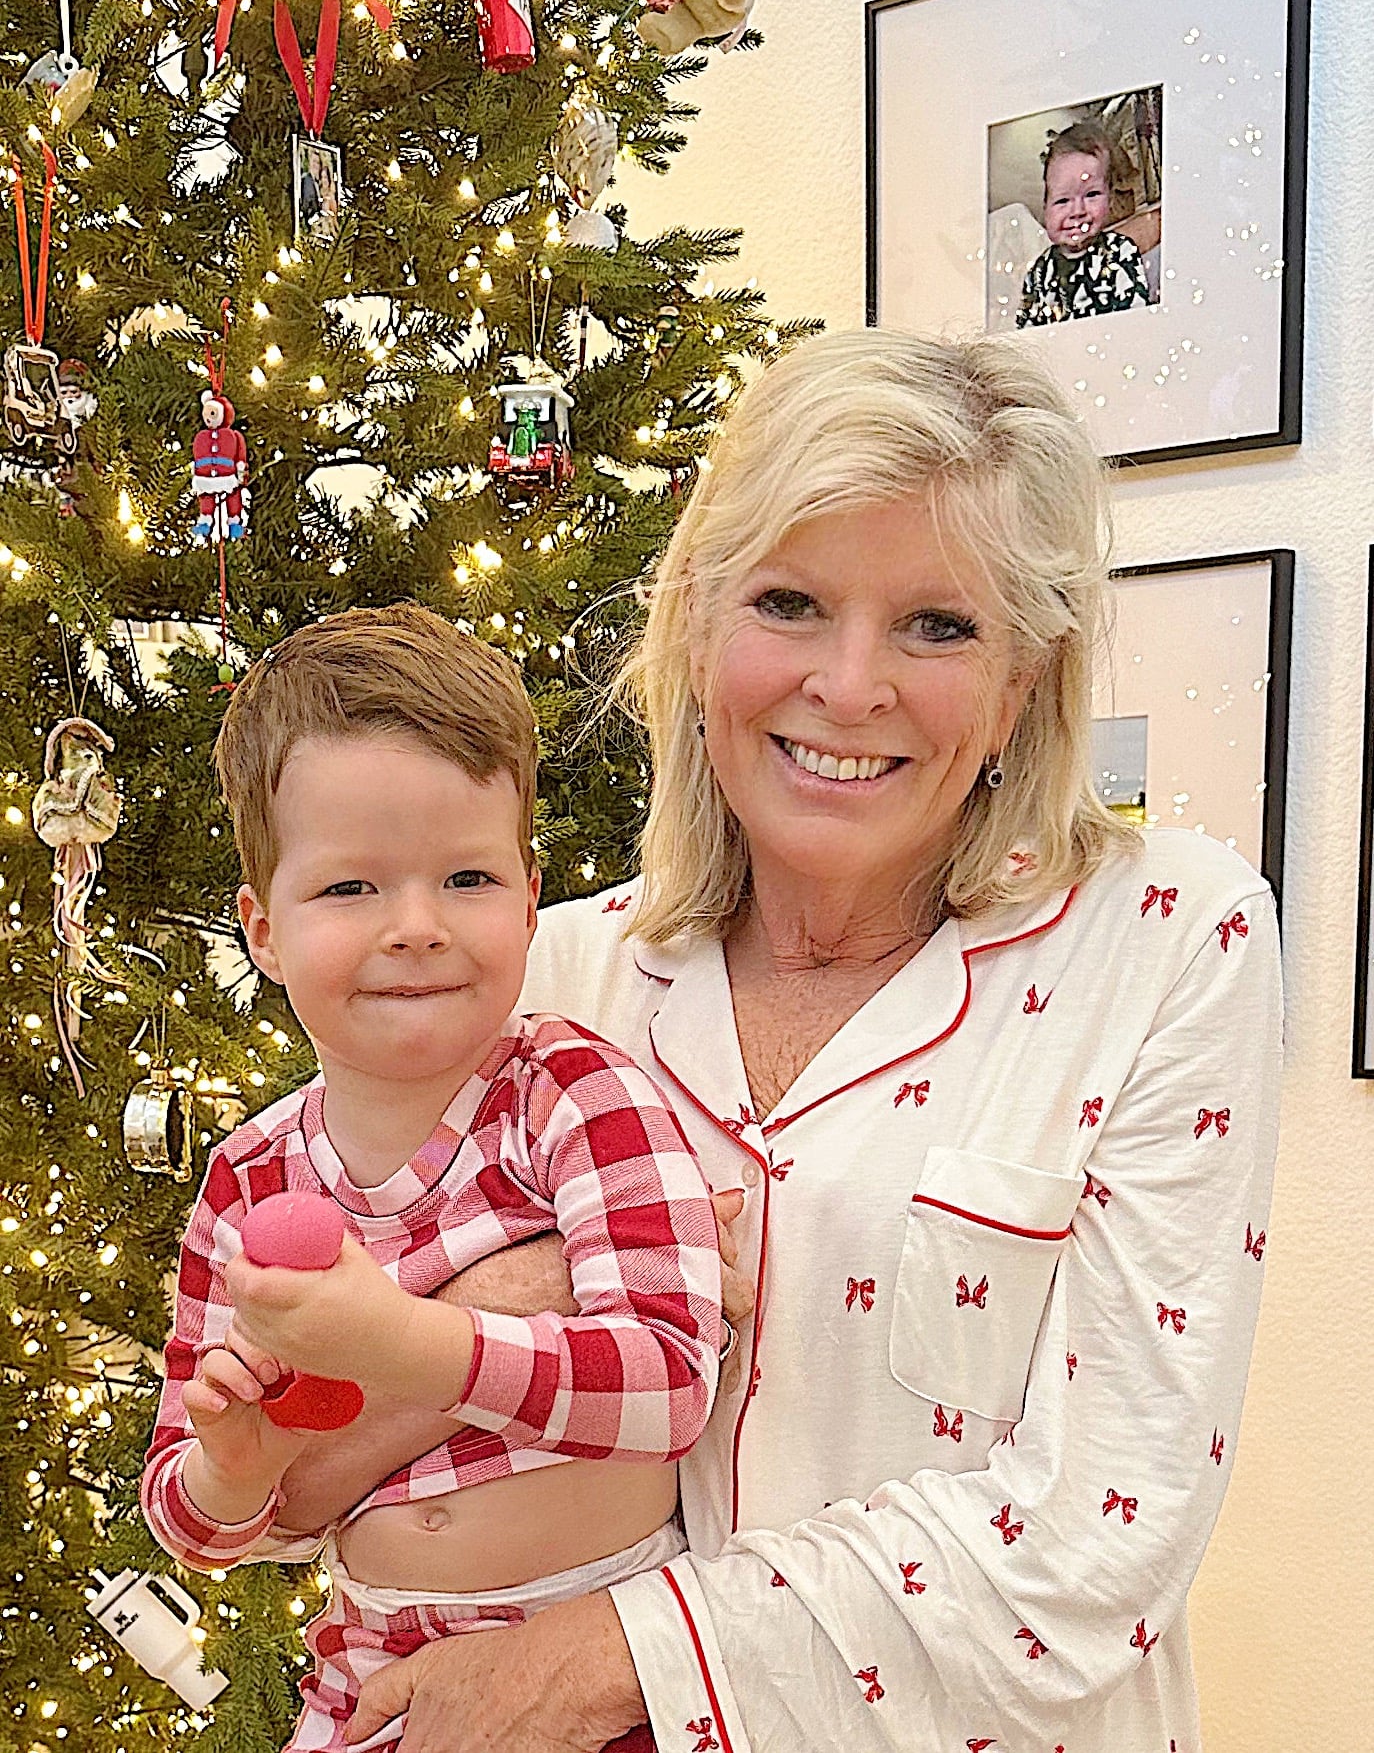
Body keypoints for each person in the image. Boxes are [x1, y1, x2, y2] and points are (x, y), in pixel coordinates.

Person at [274, 331, 1281, 1753]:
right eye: (790, 602)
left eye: (938, 625)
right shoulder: (544, 974)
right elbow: (279, 1471)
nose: (849, 684)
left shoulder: (1165, 940)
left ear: (1019, 681)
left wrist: (610, 1651)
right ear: (696, 631)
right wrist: (538, 1279)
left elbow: (1085, 1555)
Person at [140, 603, 723, 1753]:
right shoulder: (245, 1183)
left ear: (528, 891)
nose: (416, 927)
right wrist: (233, 1469)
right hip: (374, 1682)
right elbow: (191, 1521)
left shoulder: (570, 1090)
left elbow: (668, 1379)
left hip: (605, 1679)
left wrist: (400, 1344)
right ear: (262, 927)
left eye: (466, 877)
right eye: (351, 889)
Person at [1017, 120, 1151, 326]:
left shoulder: (1120, 251)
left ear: (1111, 200)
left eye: (1092, 195)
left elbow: (1136, 315)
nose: (1077, 211)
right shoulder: (1040, 271)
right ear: (1046, 208)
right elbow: (1025, 333)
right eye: (1062, 201)